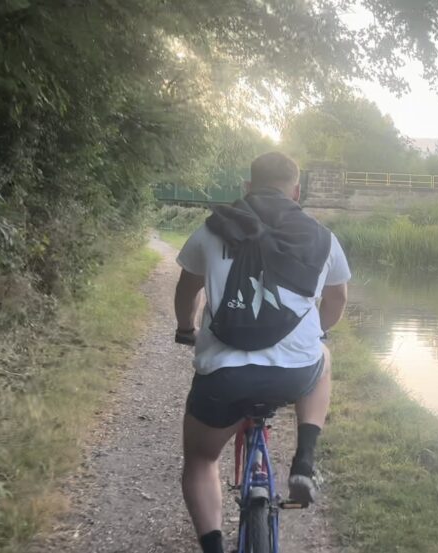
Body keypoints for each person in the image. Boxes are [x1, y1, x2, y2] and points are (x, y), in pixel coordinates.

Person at [172, 152, 351, 553]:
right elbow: (337, 298)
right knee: (322, 358)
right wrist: (317, 332)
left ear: (247, 188)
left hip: (224, 376)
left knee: (201, 460)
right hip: (294, 373)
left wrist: (186, 329)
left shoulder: (213, 229)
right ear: (297, 191)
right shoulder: (322, 237)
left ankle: (215, 547)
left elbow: (187, 289)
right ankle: (304, 461)